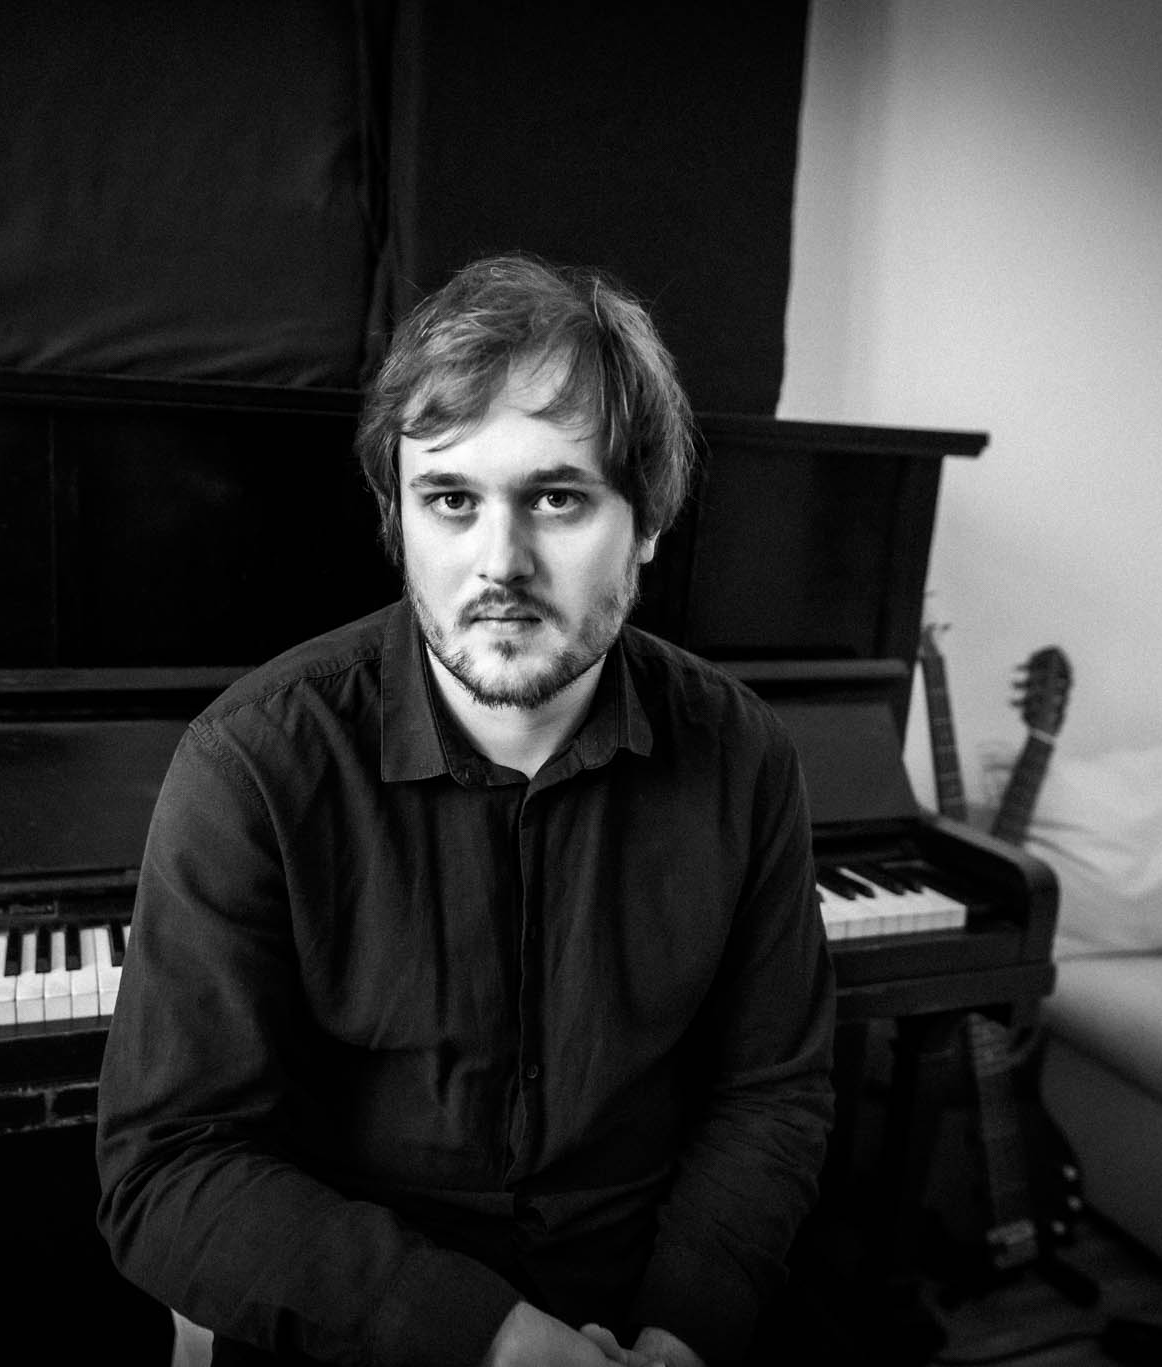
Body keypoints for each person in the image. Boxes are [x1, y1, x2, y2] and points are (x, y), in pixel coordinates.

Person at [95, 254, 835, 1367]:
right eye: (451, 499)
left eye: (557, 497)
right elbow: (168, 1167)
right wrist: (491, 1340)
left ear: (646, 522)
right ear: (398, 519)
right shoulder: (249, 764)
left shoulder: (745, 755)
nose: (500, 562)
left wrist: (684, 1329)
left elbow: (769, 1090)